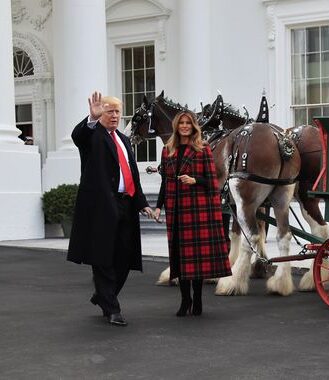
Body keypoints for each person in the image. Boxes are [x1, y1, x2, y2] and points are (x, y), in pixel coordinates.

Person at [68, 91, 153, 326]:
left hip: (126, 203)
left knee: (125, 256)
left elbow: (132, 175)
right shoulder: (92, 135)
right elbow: (78, 136)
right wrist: (92, 119)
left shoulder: (124, 140)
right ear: (100, 113)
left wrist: (143, 203)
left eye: (117, 111)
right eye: (109, 111)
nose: (114, 115)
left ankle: (103, 295)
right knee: (103, 257)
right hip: (102, 205)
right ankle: (112, 309)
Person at [154, 111, 231, 317]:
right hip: (175, 210)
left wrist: (195, 180)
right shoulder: (167, 150)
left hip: (196, 210)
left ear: (193, 126)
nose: (185, 126)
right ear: (176, 126)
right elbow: (165, 182)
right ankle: (184, 299)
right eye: (182, 123)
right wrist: (158, 206)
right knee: (179, 257)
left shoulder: (202, 149)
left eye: (188, 123)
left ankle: (196, 299)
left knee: (195, 258)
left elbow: (212, 182)